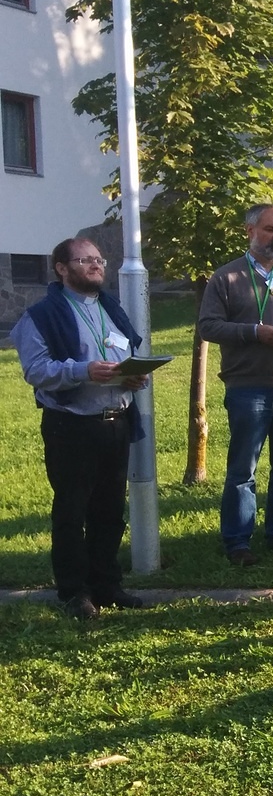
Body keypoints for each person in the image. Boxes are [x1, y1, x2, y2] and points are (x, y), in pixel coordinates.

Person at [13, 238, 149, 618]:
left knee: (109, 510)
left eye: (99, 260)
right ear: (61, 268)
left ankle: (107, 585)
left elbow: (124, 353)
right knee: (72, 512)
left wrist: (133, 377)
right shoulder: (40, 316)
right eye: (85, 260)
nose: (96, 265)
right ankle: (74, 592)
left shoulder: (110, 308)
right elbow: (36, 371)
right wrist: (82, 370)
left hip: (116, 422)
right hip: (71, 426)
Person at [198, 204, 273, 567]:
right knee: (243, 469)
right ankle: (238, 542)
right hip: (248, 386)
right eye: (270, 229)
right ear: (250, 231)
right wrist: (254, 332)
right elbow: (208, 326)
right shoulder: (226, 277)